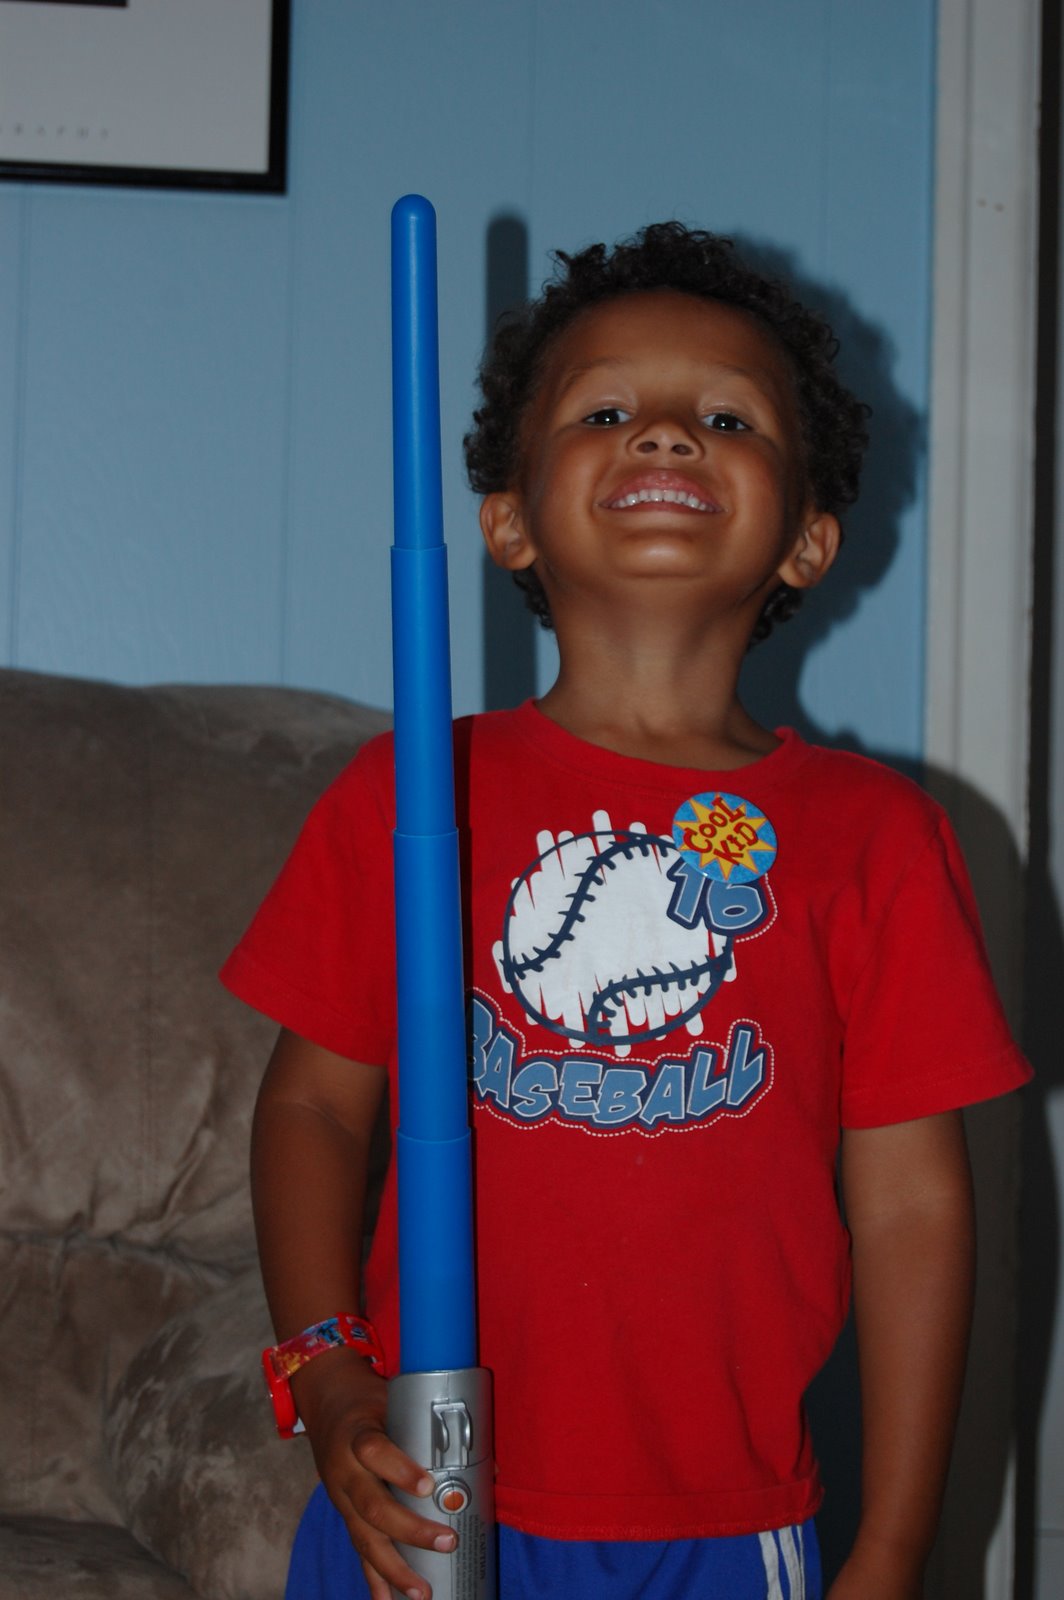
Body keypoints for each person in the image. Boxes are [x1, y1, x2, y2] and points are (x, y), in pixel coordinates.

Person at [222, 223, 1031, 1600]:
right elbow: (312, 1109)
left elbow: (911, 1209)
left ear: (809, 540)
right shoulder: (411, 794)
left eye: (727, 417)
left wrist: (895, 1545)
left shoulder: (876, 837)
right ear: (508, 521)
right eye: (605, 412)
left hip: (724, 1519)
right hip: (429, 1497)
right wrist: (328, 1371)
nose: (664, 432)